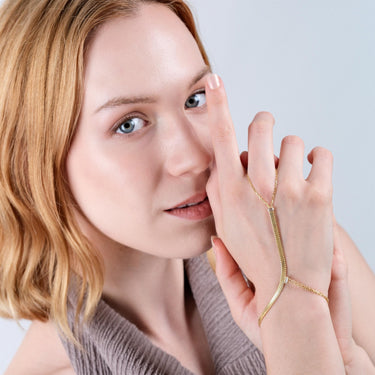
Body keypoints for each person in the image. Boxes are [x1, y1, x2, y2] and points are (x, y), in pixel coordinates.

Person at [0, 0, 374, 374]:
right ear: (30, 161)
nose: (195, 157)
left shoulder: (298, 250)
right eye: (129, 124)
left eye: (195, 99)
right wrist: (295, 321)